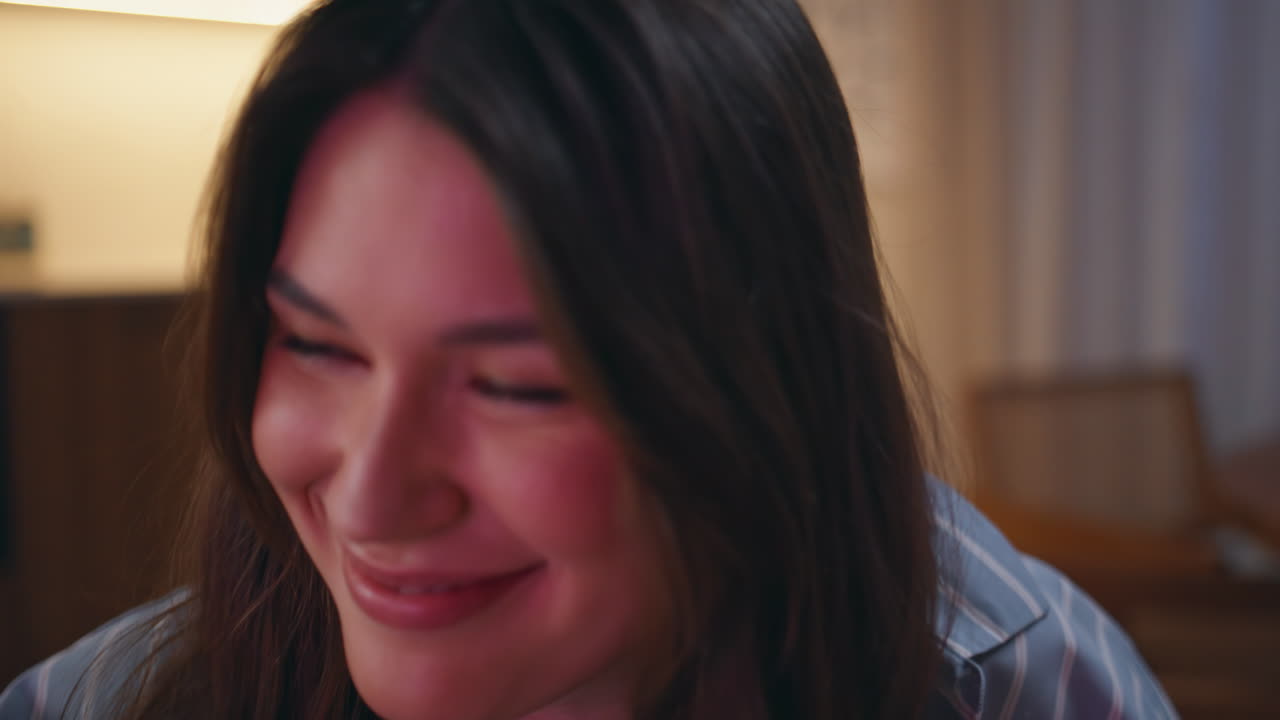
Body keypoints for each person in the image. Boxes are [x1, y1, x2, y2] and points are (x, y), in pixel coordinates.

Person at [0, 1, 1178, 718]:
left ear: (765, 391)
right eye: (314, 344)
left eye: (514, 386)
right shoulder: (118, 702)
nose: (365, 496)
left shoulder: (1016, 688)